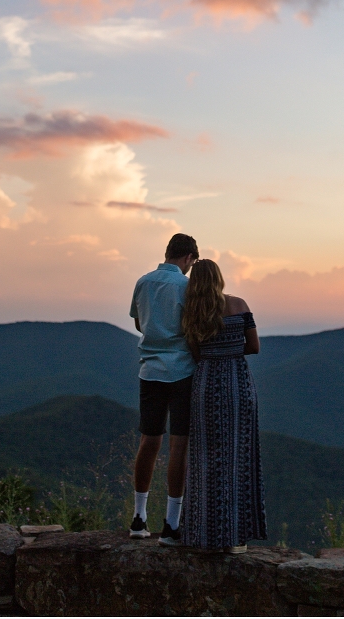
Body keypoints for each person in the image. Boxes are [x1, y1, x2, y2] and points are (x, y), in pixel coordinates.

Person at [180, 259, 267, 553]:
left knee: (203, 460)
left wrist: (213, 351)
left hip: (205, 386)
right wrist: (230, 349)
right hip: (238, 384)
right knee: (239, 459)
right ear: (219, 278)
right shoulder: (239, 304)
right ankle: (236, 538)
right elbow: (254, 346)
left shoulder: (192, 314)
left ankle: (202, 535)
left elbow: (195, 352)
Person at [128, 232, 199, 545]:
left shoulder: (143, 281)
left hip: (150, 370)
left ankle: (138, 516)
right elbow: (191, 327)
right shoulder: (185, 286)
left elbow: (138, 323)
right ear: (187, 258)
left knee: (149, 440)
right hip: (182, 370)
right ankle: (172, 524)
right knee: (179, 445)